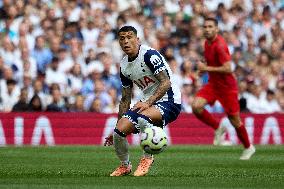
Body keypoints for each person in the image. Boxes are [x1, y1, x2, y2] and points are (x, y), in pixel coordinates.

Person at [104, 26, 181, 176]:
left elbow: (166, 82)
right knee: (119, 132)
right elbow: (126, 98)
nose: (126, 41)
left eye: (129, 37)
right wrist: (118, 124)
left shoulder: (149, 55)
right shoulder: (124, 65)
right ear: (119, 42)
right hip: (148, 103)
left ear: (137, 39)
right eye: (122, 38)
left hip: (170, 100)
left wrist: (148, 103)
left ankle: (147, 158)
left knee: (142, 117)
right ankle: (125, 166)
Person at [192, 17, 255, 160]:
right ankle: (218, 128)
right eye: (205, 26)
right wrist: (203, 70)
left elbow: (228, 68)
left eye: (210, 27)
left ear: (216, 29)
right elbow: (212, 63)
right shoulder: (207, 43)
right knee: (196, 106)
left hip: (227, 87)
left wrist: (206, 68)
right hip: (214, 84)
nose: (207, 29)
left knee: (235, 120)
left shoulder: (220, 45)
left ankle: (248, 147)